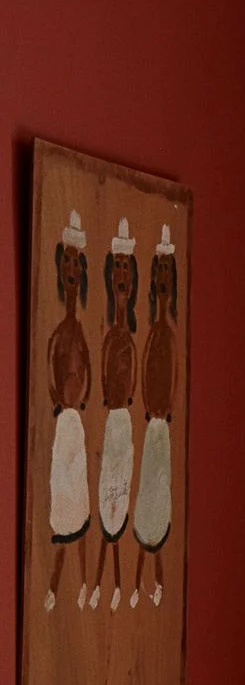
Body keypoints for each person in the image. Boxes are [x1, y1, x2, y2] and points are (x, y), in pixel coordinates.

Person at [44, 210, 91, 613]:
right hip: (65, 422)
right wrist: (60, 403)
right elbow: (48, 366)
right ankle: (56, 587)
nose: (71, 269)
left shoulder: (75, 332)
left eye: (77, 261)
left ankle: (82, 584)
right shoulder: (60, 332)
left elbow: (86, 369)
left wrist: (83, 398)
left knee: (80, 505)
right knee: (63, 509)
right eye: (67, 261)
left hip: (75, 419)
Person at [134, 225, 178, 606]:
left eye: (167, 271)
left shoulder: (167, 334)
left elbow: (170, 374)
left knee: (159, 499)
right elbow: (147, 367)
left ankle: (156, 582)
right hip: (152, 423)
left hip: (160, 424)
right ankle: (140, 580)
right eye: (158, 271)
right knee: (147, 494)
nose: (162, 279)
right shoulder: (153, 334)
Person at [97, 221, 138, 611]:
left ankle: (120, 582)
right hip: (110, 422)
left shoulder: (127, 336)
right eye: (116, 268)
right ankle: (104, 580)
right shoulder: (109, 336)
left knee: (121, 502)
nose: (120, 275)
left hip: (124, 422)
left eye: (126, 268)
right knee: (105, 505)